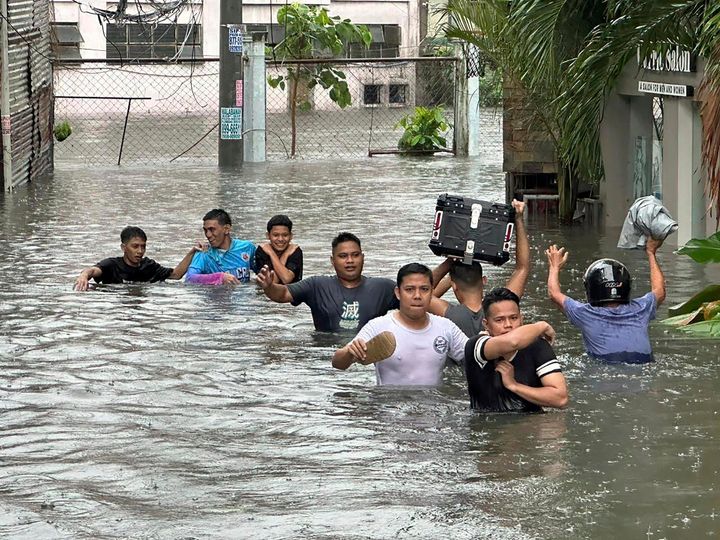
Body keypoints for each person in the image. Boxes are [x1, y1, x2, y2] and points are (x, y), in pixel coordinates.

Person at [332, 263, 468, 385]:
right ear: (398, 293)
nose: (417, 296)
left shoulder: (445, 327)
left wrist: (484, 341)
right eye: (409, 289)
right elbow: (338, 364)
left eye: (424, 289)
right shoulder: (378, 326)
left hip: (432, 409)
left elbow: (474, 355)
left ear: (432, 292)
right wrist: (349, 353)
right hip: (390, 408)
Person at [546, 238, 665, 364]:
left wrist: (554, 267)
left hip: (606, 366)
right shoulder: (641, 309)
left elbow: (554, 294)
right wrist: (651, 252)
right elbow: (660, 290)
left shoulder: (585, 313)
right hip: (644, 363)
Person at [256, 232, 398, 332]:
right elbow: (283, 294)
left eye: (355, 255)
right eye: (343, 256)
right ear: (332, 260)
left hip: (367, 357)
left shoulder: (383, 287)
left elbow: (414, 308)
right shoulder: (317, 285)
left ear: (363, 257)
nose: (350, 261)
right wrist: (269, 286)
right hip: (325, 359)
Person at [430, 199, 530, 337]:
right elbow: (522, 268)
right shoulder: (502, 309)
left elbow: (423, 293)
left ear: (453, 286)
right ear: (484, 280)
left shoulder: (450, 314)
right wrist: (518, 218)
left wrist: (450, 261)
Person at [464, 287, 568, 412]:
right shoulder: (476, 345)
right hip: (489, 426)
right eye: (499, 320)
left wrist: (514, 386)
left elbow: (560, 398)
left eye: (514, 318)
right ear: (486, 324)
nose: (508, 325)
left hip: (532, 425)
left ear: (521, 319)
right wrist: (541, 326)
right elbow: (513, 342)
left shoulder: (538, 346)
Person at [74, 226, 201, 291]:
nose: (140, 251)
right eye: (135, 246)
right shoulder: (112, 265)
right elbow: (92, 270)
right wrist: (83, 276)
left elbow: (176, 275)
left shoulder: (149, 266)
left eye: (143, 247)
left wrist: (192, 252)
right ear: (124, 247)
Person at [185, 209, 256, 285]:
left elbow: (262, 272)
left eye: (212, 229)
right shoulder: (204, 253)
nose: (208, 235)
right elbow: (190, 278)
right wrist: (220, 278)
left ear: (226, 229)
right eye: (205, 230)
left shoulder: (247, 247)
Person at [253, 214, 303, 284]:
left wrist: (281, 255)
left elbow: (286, 279)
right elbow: (272, 283)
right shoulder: (263, 250)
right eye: (275, 235)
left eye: (285, 235)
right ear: (268, 236)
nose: (280, 239)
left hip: (292, 293)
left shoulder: (295, 250)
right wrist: (273, 253)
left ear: (291, 236)